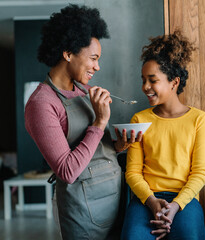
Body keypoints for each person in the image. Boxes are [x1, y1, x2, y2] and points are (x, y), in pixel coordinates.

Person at [25, 4, 140, 240]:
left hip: (116, 199)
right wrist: (99, 122)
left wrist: (118, 146)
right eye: (93, 59)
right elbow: (67, 171)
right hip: (84, 213)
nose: (97, 67)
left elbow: (97, 148)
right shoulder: (41, 104)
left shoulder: (84, 90)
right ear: (67, 53)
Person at [121, 30, 205, 240]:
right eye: (143, 80)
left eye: (152, 80)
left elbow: (199, 174)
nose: (145, 87)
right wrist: (152, 203)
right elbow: (132, 173)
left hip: (185, 201)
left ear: (174, 82)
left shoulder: (199, 119)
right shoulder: (138, 120)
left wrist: (176, 206)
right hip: (146, 200)